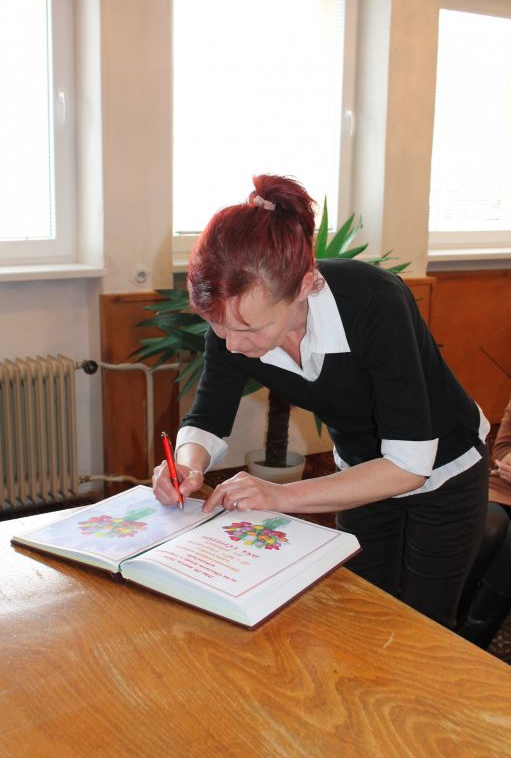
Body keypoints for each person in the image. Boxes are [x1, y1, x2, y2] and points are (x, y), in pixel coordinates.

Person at [153, 174, 490, 629]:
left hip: (445, 467)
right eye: (218, 327)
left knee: (423, 624)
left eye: (250, 330)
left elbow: (410, 466)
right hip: (358, 471)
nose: (232, 344)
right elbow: (208, 418)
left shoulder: (374, 301)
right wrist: (187, 466)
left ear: (305, 285)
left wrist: (280, 495)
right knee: (360, 606)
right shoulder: (233, 318)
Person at [458, 398, 511, 648]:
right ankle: (450, 616)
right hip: (503, 489)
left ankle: (474, 638)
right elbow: (502, 449)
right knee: (489, 527)